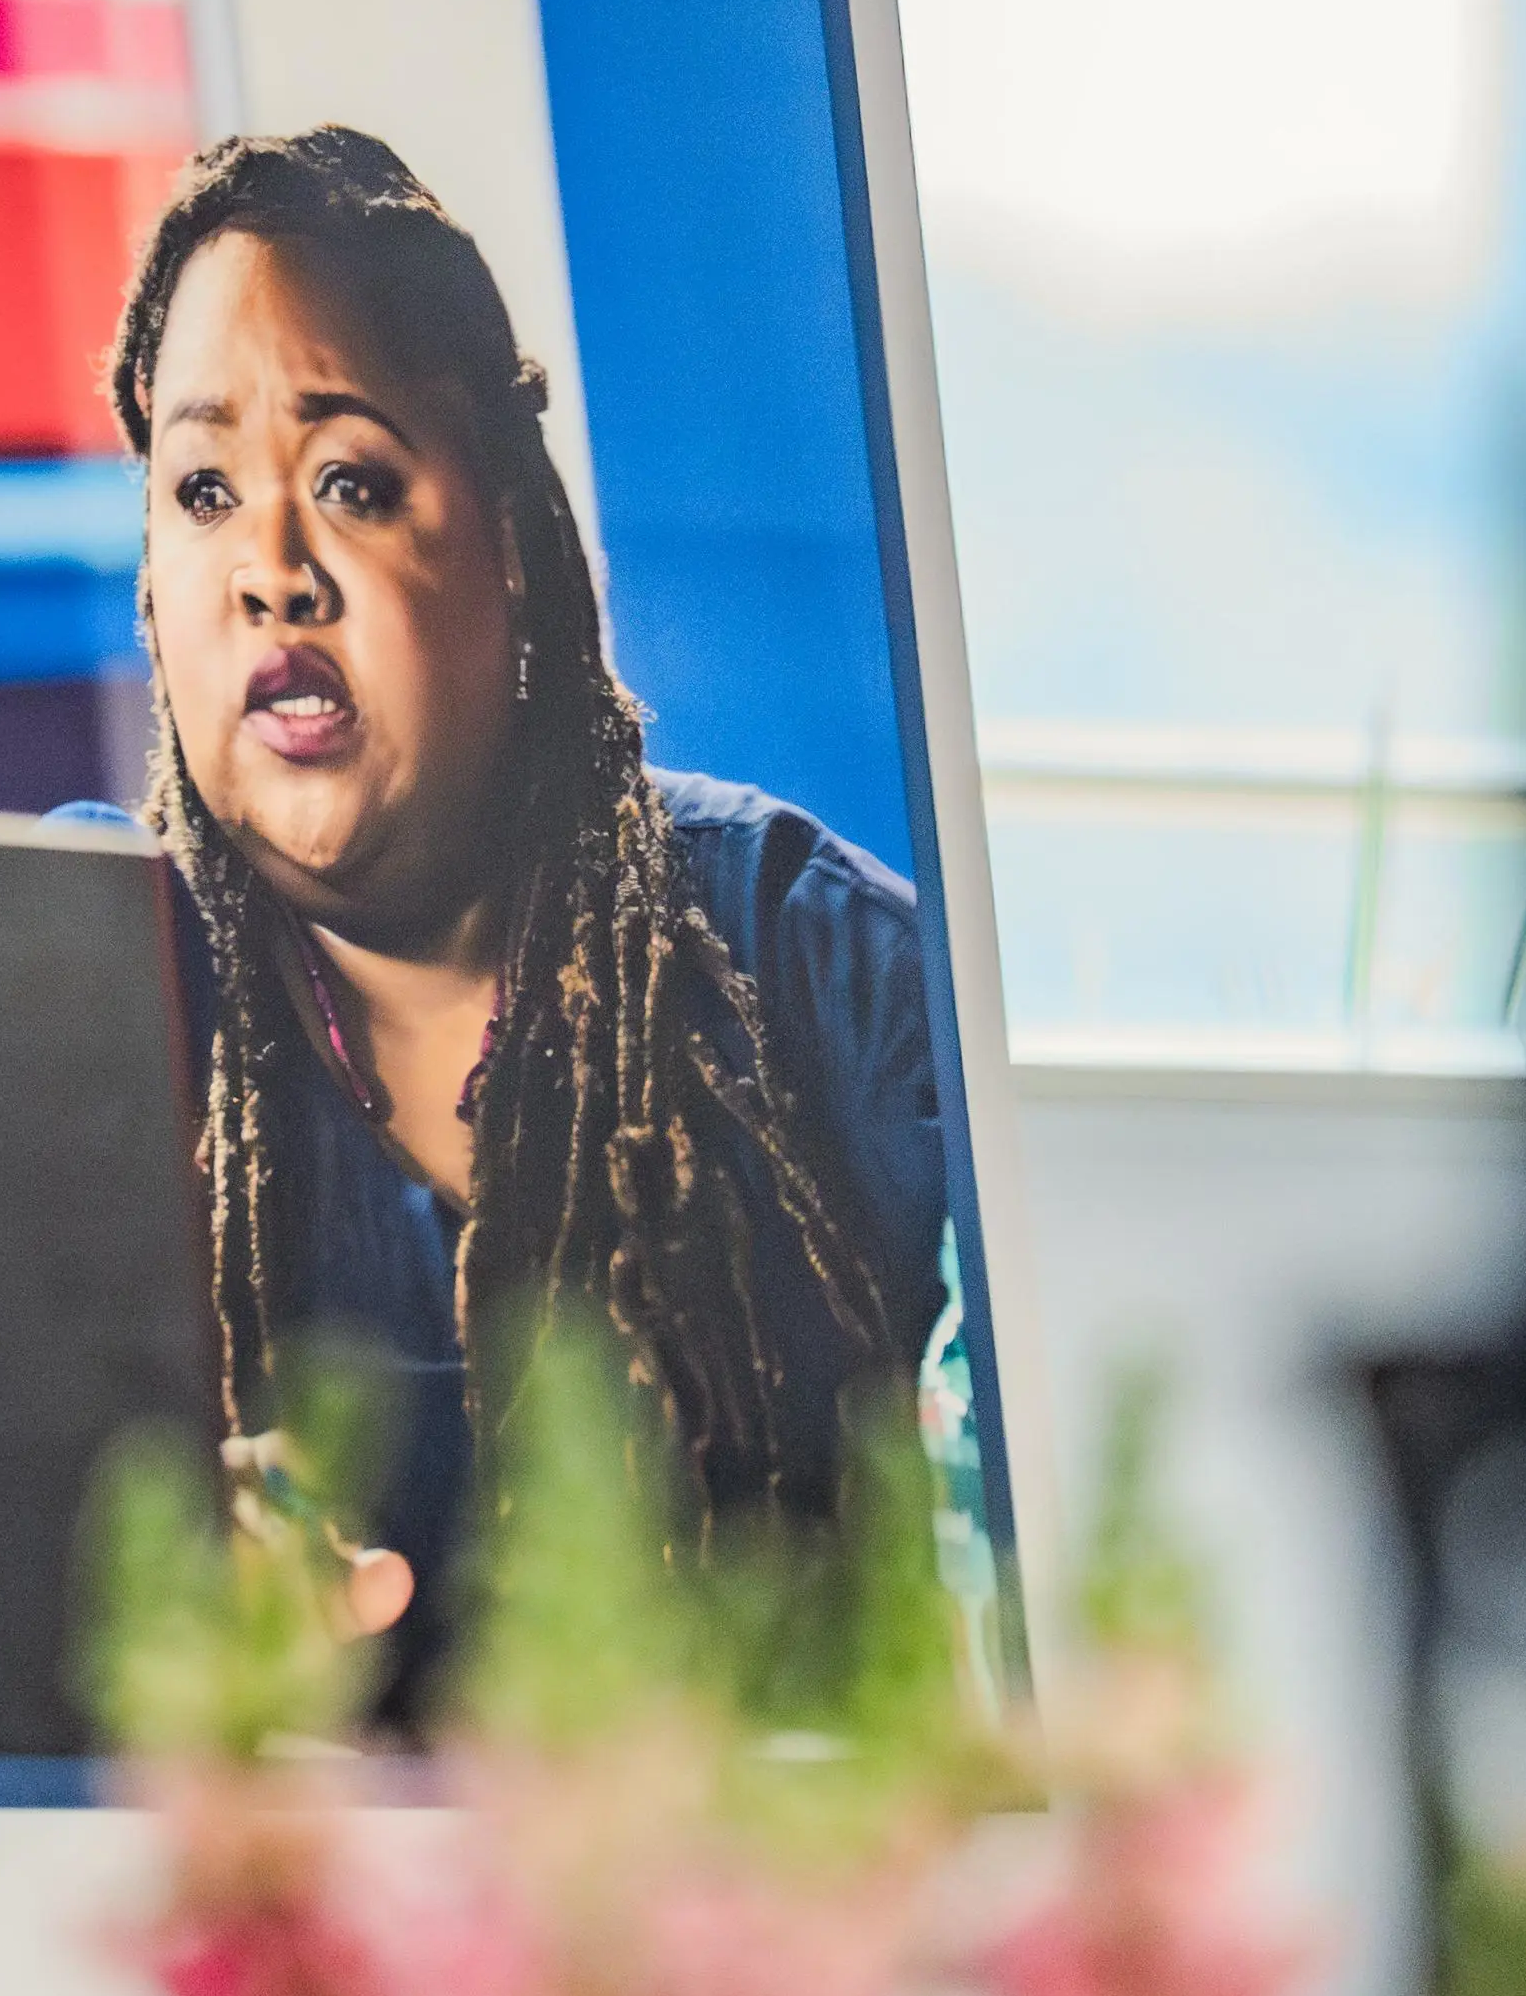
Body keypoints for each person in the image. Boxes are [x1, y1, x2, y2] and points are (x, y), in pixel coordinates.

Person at [74, 123, 951, 1681]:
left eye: (351, 481)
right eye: (201, 489)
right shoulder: (64, 982)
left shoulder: (831, 976)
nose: (270, 569)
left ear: (514, 540)